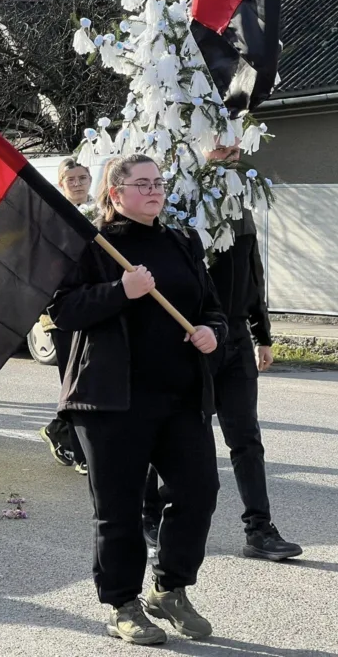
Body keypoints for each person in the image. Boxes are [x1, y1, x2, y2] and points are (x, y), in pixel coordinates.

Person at [48, 153, 226, 646]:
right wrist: (120, 290)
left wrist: (214, 331)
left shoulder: (181, 241)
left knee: (198, 492)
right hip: (110, 401)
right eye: (142, 183)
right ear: (115, 193)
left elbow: (211, 307)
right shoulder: (95, 245)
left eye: (159, 183)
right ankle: (122, 604)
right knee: (119, 507)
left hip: (180, 396)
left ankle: (169, 589)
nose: (154, 190)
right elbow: (63, 310)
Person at [142, 142, 303, 562]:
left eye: (236, 151)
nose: (232, 157)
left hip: (233, 340)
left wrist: (261, 334)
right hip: (191, 339)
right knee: (173, 433)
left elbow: (253, 276)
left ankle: (260, 530)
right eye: (221, 150)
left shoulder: (241, 208)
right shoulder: (181, 205)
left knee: (246, 438)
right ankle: (149, 513)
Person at [38, 158, 95, 473]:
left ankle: (57, 429)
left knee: (91, 381)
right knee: (72, 384)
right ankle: (82, 454)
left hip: (96, 308)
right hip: (63, 314)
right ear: (61, 184)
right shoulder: (53, 218)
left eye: (82, 177)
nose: (77, 183)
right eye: (70, 179)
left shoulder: (101, 214)